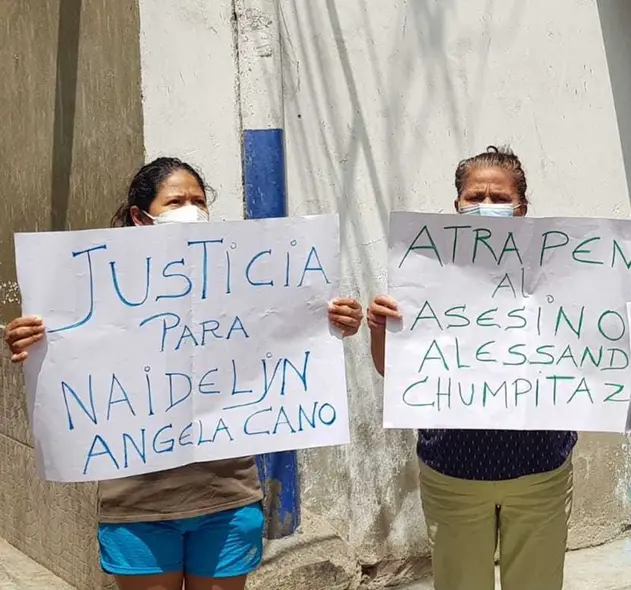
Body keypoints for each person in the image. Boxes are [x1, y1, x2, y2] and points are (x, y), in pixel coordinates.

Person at [2, 157, 364, 590]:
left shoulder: (246, 282)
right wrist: (35, 342)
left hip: (228, 497)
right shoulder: (92, 296)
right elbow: (65, 356)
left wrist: (332, 321)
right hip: (138, 505)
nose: (190, 209)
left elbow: (290, 323)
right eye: (175, 201)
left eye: (198, 201)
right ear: (141, 217)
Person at [369, 145, 631, 590]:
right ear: (456, 204)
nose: (486, 206)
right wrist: (380, 328)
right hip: (453, 471)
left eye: (499, 197)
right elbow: (394, 374)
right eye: (475, 196)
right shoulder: (425, 272)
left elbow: (608, 336)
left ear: (522, 207)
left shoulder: (567, 269)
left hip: (540, 470)